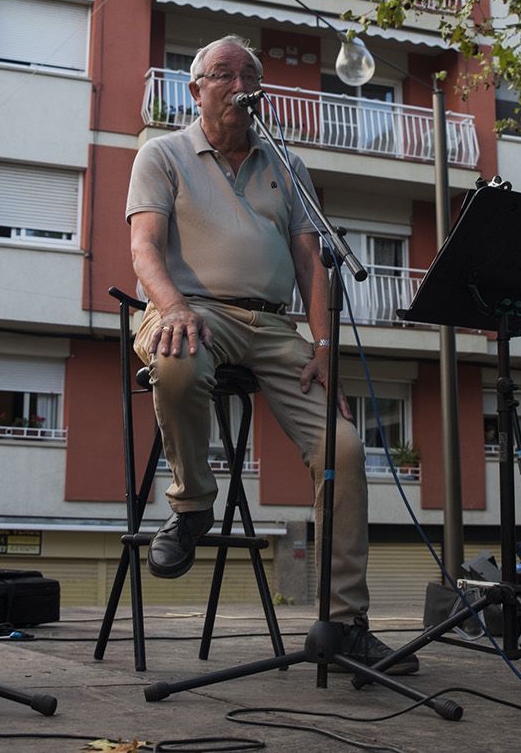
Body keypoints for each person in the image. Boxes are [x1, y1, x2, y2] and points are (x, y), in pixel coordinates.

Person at [124, 35, 416, 674]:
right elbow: (144, 248)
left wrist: (324, 345)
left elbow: (312, 261)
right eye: (221, 74)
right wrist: (171, 306)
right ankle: (193, 506)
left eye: (248, 77)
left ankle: (344, 624)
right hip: (194, 309)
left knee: (342, 447)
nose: (237, 86)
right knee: (175, 360)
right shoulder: (163, 153)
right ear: (195, 89)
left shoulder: (287, 164)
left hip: (276, 326)